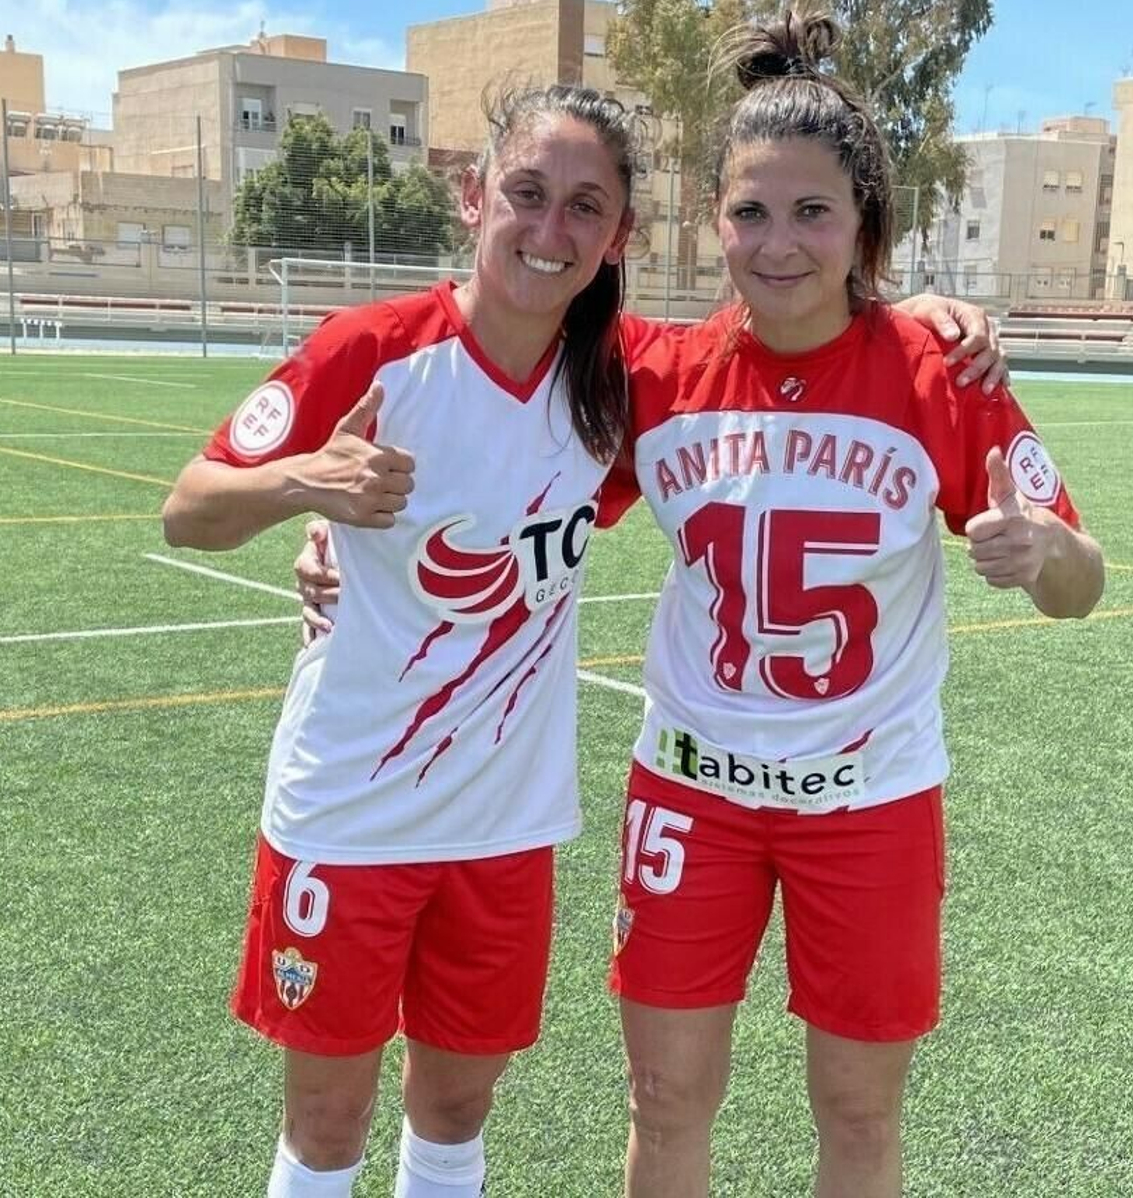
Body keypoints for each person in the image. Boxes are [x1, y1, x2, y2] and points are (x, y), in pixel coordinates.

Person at [165, 78, 1003, 1198]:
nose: (549, 229)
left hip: (507, 819)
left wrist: (925, 309)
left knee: (457, 1105)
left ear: (619, 238)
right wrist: (298, 492)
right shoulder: (392, 352)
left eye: (584, 207)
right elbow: (191, 504)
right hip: (351, 804)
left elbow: (706, 430)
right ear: (474, 198)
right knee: (328, 1117)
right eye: (527, 193)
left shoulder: (608, 386)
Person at [606, 13, 1105, 1198]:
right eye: (749, 212)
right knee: (665, 1099)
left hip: (870, 801)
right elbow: (508, 470)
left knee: (858, 1117)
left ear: (864, 226)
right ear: (713, 220)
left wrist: (1040, 554)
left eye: (812, 212)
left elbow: (1084, 587)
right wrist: (330, 532)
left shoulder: (941, 373)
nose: (777, 244)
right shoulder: (652, 377)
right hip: (692, 790)